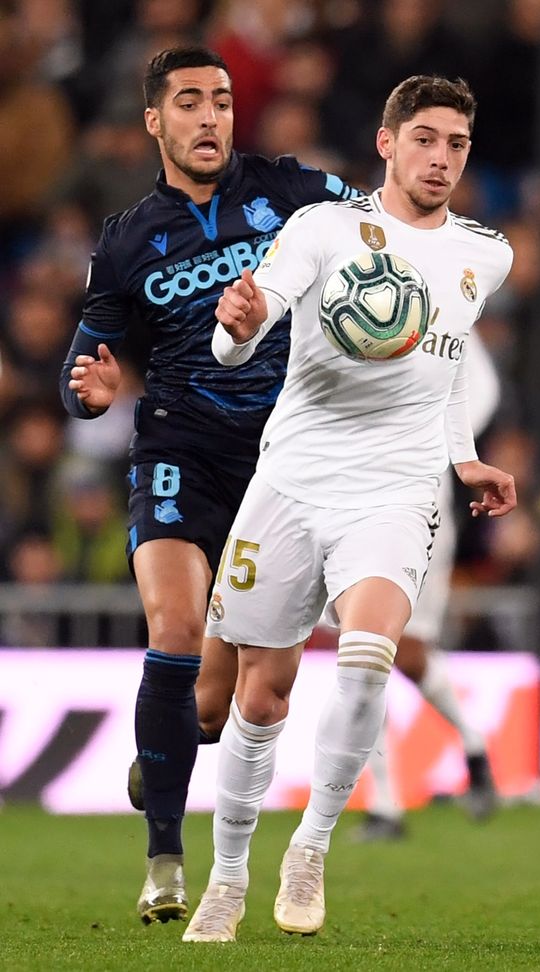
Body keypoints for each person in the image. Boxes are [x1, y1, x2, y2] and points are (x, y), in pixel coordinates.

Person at [183, 73, 516, 944]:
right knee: (258, 695)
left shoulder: (486, 254)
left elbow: (444, 367)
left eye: (457, 144)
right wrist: (238, 322)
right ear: (387, 141)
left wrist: (464, 458)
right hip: (292, 479)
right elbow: (235, 343)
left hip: (396, 490)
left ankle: (313, 847)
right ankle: (225, 876)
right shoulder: (323, 229)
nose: (441, 158)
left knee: (371, 653)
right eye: (426, 140)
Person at [59, 45, 360, 925]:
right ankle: (164, 861)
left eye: (222, 101)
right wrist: (92, 391)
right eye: (189, 102)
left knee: (214, 706)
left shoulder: (292, 190)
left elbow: (381, 226)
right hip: (177, 450)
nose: (209, 117)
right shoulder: (125, 239)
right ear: (155, 121)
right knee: (176, 627)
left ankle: (164, 749)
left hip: (281, 463)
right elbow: (87, 358)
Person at [355, 327, 502, 840]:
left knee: (408, 654)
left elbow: (482, 387)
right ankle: (386, 804)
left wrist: (443, 445)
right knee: (363, 652)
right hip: (349, 495)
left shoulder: (447, 297)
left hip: (421, 503)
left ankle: (474, 743)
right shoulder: (347, 284)